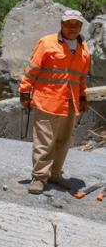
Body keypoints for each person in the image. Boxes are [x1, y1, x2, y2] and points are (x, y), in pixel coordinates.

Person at [20, 10, 91, 195]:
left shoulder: (84, 49)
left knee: (63, 141)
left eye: (76, 24)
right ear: (61, 24)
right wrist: (25, 92)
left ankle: (55, 174)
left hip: (70, 103)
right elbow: (32, 69)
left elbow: (81, 78)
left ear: (81, 26)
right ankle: (39, 177)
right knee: (44, 142)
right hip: (47, 101)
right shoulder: (47, 42)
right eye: (68, 24)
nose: (72, 28)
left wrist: (82, 97)